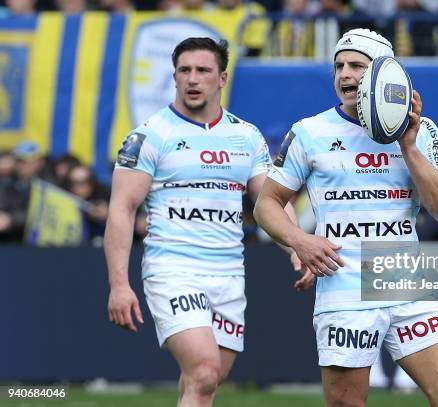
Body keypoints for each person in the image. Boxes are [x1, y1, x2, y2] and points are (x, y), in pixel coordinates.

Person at [254, 29, 438, 407]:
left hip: (403, 281)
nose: (344, 75)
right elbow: (266, 204)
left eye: (356, 65)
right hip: (344, 285)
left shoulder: (422, 131)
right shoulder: (310, 132)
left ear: (384, 75)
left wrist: (407, 145)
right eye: (338, 66)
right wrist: (300, 240)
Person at [104, 37, 295, 407]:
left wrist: (297, 246)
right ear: (174, 77)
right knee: (205, 370)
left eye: (203, 71)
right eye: (184, 71)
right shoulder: (149, 135)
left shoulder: (246, 136)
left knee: (204, 383)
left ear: (222, 78)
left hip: (228, 275)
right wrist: (118, 285)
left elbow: (271, 200)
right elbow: (121, 209)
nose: (192, 79)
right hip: (173, 269)